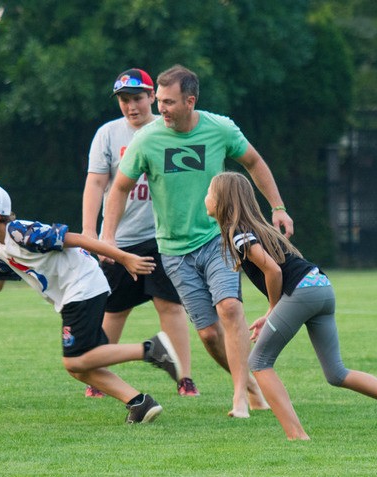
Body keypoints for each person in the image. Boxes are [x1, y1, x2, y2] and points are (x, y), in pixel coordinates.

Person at [103, 65, 280, 418]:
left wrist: (278, 207)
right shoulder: (147, 139)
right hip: (173, 250)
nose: (161, 108)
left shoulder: (220, 128)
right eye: (160, 101)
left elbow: (254, 162)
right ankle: (247, 385)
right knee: (209, 336)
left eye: (168, 102)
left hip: (219, 238)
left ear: (190, 100)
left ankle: (239, 401)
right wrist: (108, 236)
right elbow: (120, 187)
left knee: (230, 308)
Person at [205, 171, 377, 440]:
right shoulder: (256, 228)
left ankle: (296, 435)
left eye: (209, 193)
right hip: (320, 286)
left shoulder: (239, 234)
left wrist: (273, 308)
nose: (206, 198)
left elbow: (274, 271)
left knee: (259, 361)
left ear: (223, 201)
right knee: (336, 373)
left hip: (302, 292)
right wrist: (272, 310)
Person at [0, 182, 181, 424]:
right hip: (78, 291)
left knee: (74, 360)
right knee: (78, 368)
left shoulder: (22, 232)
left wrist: (124, 258)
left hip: (82, 286)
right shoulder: (1, 248)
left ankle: (151, 350)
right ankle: (139, 403)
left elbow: (78, 239)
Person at [82, 68, 196, 398]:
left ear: (152, 98)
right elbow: (96, 182)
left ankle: (184, 378)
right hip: (119, 239)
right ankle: (98, 376)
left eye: (137, 98)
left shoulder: (168, 130)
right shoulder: (108, 134)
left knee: (169, 305)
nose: (131, 106)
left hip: (162, 238)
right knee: (113, 309)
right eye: (124, 100)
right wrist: (94, 232)